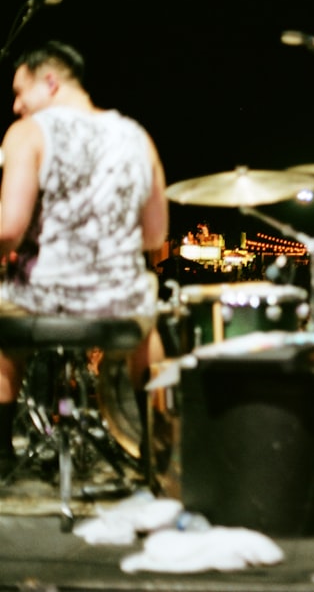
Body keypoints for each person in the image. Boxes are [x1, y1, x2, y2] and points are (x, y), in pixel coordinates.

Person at [0, 41, 168, 477]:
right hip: (119, 303)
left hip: (42, 298)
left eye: (20, 92)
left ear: (50, 82)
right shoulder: (138, 136)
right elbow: (156, 235)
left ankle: (1, 458)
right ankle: (156, 448)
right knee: (146, 321)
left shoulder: (28, 133)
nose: (17, 105)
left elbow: (6, 230)